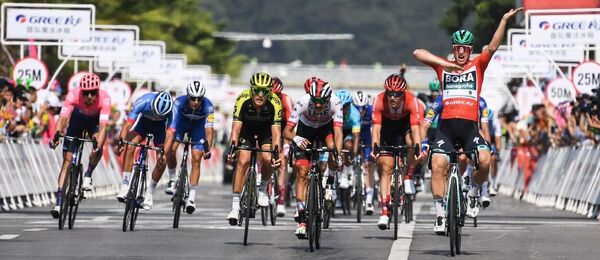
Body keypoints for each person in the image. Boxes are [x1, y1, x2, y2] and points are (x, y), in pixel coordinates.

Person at [413, 7, 522, 234]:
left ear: (470, 50)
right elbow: (417, 53)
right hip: (446, 129)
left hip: (470, 128)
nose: (462, 52)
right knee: (437, 166)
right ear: (454, 50)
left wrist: (502, 20)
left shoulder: (477, 66)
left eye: (465, 49)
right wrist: (444, 64)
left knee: (485, 161)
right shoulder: (444, 67)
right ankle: (441, 214)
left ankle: (473, 189)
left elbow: (492, 47)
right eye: (458, 49)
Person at [283, 78, 343, 239]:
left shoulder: (336, 103)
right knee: (302, 172)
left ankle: (329, 182)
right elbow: (286, 131)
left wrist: (337, 153)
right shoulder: (302, 102)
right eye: (315, 101)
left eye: (321, 102)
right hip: (305, 130)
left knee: (333, 147)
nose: (317, 105)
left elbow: (338, 132)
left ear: (328, 98)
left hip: (325, 129)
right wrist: (297, 139)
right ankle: (301, 220)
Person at [49, 73, 111, 218]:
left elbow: (102, 127)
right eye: (86, 93)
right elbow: (63, 119)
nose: (89, 96)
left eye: (93, 92)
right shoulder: (73, 95)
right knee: (67, 163)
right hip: (77, 122)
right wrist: (56, 135)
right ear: (81, 91)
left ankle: (88, 174)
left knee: (98, 145)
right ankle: (58, 203)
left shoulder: (105, 98)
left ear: (98, 91)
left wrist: (97, 146)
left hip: (94, 124)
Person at [226, 72, 282, 225]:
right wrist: (232, 150)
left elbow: (276, 133)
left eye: (265, 91)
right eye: (257, 90)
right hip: (246, 130)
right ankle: (235, 207)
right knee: (243, 160)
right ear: (252, 89)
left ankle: (263, 188)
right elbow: (236, 129)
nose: (260, 94)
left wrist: (276, 154)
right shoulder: (242, 99)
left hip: (265, 131)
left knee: (267, 158)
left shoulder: (275, 102)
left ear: (270, 92)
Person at [371, 73, 426, 229]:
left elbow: (416, 130)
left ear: (403, 93)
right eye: (390, 93)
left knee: (412, 144)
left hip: (405, 126)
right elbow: (376, 129)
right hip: (386, 128)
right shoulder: (379, 101)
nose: (393, 98)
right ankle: (383, 212)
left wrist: (418, 149)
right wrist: (375, 148)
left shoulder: (412, 101)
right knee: (386, 167)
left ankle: (408, 175)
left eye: (397, 94)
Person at [115, 91, 174, 211]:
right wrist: (121, 142)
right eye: (156, 114)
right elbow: (127, 125)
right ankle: (125, 184)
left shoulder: (171, 112)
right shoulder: (143, 101)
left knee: (162, 160)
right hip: (142, 125)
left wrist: (164, 152)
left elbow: (170, 135)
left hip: (159, 131)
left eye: (160, 116)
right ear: (153, 105)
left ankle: (149, 193)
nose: (157, 117)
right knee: (130, 146)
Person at [163, 81, 214, 214]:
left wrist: (208, 149)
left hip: (198, 128)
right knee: (172, 150)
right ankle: (172, 179)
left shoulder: (208, 106)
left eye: (199, 99)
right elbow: (172, 127)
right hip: (181, 124)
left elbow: (209, 130)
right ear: (187, 96)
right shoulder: (178, 102)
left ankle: (191, 197)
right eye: (192, 98)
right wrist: (166, 146)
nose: (196, 102)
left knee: (196, 158)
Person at [271, 77, 293, 217]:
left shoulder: (286, 100)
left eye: (277, 96)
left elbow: (291, 124)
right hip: (269, 127)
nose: (275, 99)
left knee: (282, 163)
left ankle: (281, 200)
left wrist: (287, 144)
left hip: (284, 128)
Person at [352, 90, 376, 215]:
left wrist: (373, 149)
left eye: (363, 109)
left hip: (367, 135)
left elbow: (375, 131)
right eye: (358, 109)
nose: (361, 112)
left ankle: (369, 200)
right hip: (353, 133)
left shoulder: (372, 111)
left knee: (368, 165)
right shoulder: (350, 111)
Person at [334, 89, 361, 191]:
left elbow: (356, 136)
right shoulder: (331, 111)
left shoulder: (355, 114)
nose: (343, 109)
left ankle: (347, 171)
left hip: (348, 131)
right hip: (335, 129)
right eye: (340, 107)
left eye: (346, 106)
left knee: (348, 145)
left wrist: (353, 155)